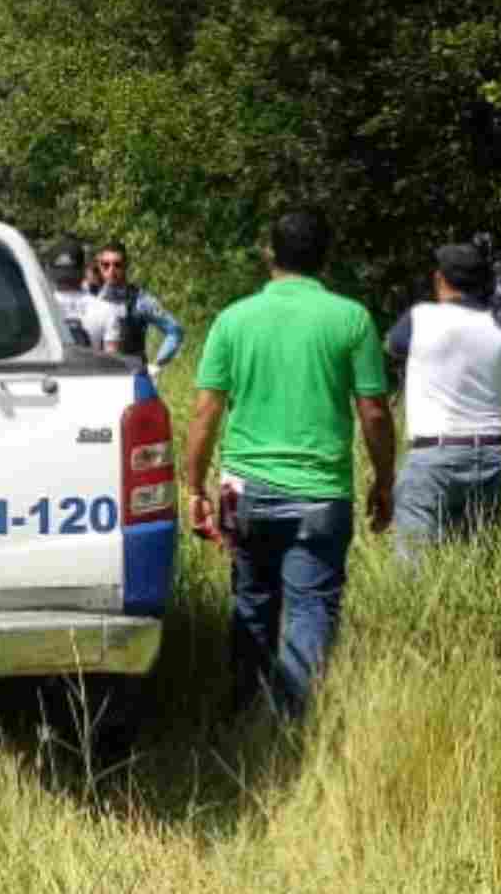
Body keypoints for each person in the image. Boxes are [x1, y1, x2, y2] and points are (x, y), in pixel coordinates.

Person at [183, 210, 397, 721]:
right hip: (320, 494)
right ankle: (287, 724)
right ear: (325, 256)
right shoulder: (350, 319)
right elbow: (373, 411)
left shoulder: (233, 319)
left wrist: (194, 487)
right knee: (310, 610)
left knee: (251, 600)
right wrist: (385, 480)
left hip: (241, 489)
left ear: (268, 253)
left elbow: (205, 410)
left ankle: (240, 711)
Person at [384, 241, 501, 565]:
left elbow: (393, 346)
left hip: (435, 455)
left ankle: (419, 613)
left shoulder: (421, 318)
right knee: (475, 564)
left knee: (413, 567)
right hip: (492, 454)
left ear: (439, 279)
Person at [90, 242, 185, 378]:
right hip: (101, 380)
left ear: (126, 265)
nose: (111, 270)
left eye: (117, 264)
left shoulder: (141, 300)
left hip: (135, 380)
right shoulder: (92, 301)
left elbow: (175, 331)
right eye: (106, 265)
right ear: (99, 266)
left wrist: (157, 364)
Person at [44, 238, 117, 350]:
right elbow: (113, 361)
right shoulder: (107, 310)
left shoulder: (38, 310)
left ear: (49, 271)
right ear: (84, 269)